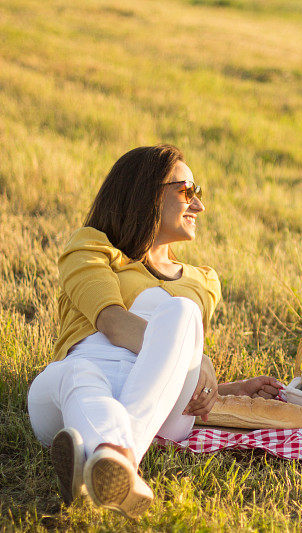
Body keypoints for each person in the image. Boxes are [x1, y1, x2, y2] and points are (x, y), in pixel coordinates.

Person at [27, 145, 283, 519]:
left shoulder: (203, 282)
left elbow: (167, 377)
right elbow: (112, 322)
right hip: (71, 386)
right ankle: (112, 458)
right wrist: (198, 355)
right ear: (147, 192)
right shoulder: (92, 247)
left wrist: (227, 388)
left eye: (198, 193)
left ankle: (109, 455)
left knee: (179, 310)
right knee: (78, 372)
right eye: (186, 191)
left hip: (163, 410)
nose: (199, 205)